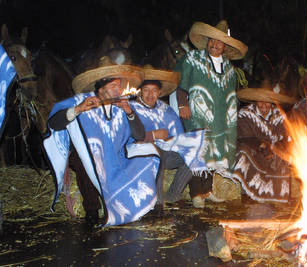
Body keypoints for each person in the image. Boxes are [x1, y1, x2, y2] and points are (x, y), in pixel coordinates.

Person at [44, 56, 161, 227]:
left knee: (149, 153)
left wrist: (130, 113)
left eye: (119, 86)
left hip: (116, 155)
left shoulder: (123, 105)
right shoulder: (82, 101)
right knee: (85, 161)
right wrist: (77, 110)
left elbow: (139, 135)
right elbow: (54, 123)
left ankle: (134, 203)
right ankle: (91, 209)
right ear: (100, 86)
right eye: (113, 86)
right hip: (89, 153)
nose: (118, 89)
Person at [171, 20, 248, 208]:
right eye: (211, 41)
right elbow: (180, 82)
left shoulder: (230, 69)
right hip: (198, 113)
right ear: (207, 42)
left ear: (225, 46)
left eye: (219, 42)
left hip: (220, 117)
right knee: (200, 150)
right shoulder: (193, 59)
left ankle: (207, 190)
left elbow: (230, 94)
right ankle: (196, 192)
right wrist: (182, 104)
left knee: (216, 150)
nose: (214, 45)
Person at [131, 65, 209, 208]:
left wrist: (175, 140)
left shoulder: (166, 109)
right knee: (156, 153)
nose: (150, 95)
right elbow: (129, 136)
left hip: (168, 152)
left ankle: (173, 194)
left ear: (160, 92)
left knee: (196, 151)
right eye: (146, 90)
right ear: (140, 91)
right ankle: (158, 203)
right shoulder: (132, 109)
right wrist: (154, 135)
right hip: (142, 155)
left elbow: (178, 134)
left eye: (154, 90)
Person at [233, 84, 296, 202]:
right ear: (255, 101)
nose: (264, 106)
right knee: (243, 152)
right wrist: (261, 144)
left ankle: (277, 194)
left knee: (286, 153)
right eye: (260, 102)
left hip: (274, 148)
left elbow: (284, 136)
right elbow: (244, 136)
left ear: (273, 103)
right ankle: (250, 193)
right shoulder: (245, 113)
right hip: (254, 147)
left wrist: (273, 147)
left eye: (268, 102)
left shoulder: (279, 114)